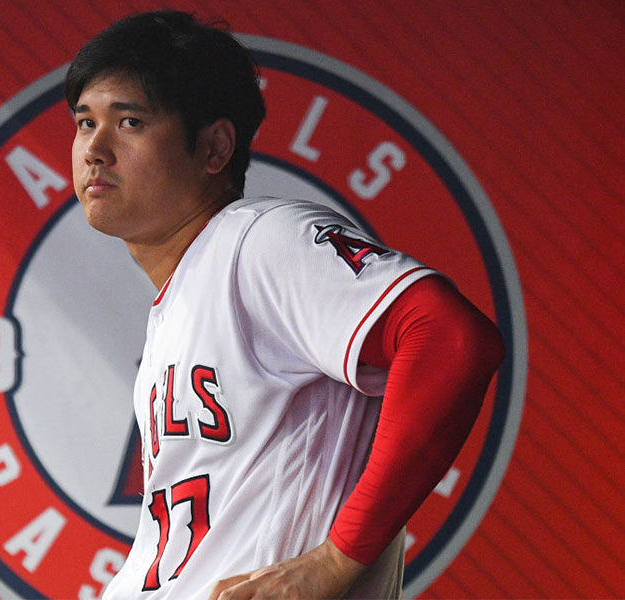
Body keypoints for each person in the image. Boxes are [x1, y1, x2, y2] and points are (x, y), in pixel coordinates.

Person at [65, 10, 504, 599]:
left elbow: (449, 338)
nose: (95, 148)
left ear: (215, 146)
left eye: (130, 122)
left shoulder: (258, 238)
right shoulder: (184, 299)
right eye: (85, 121)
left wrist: (337, 559)